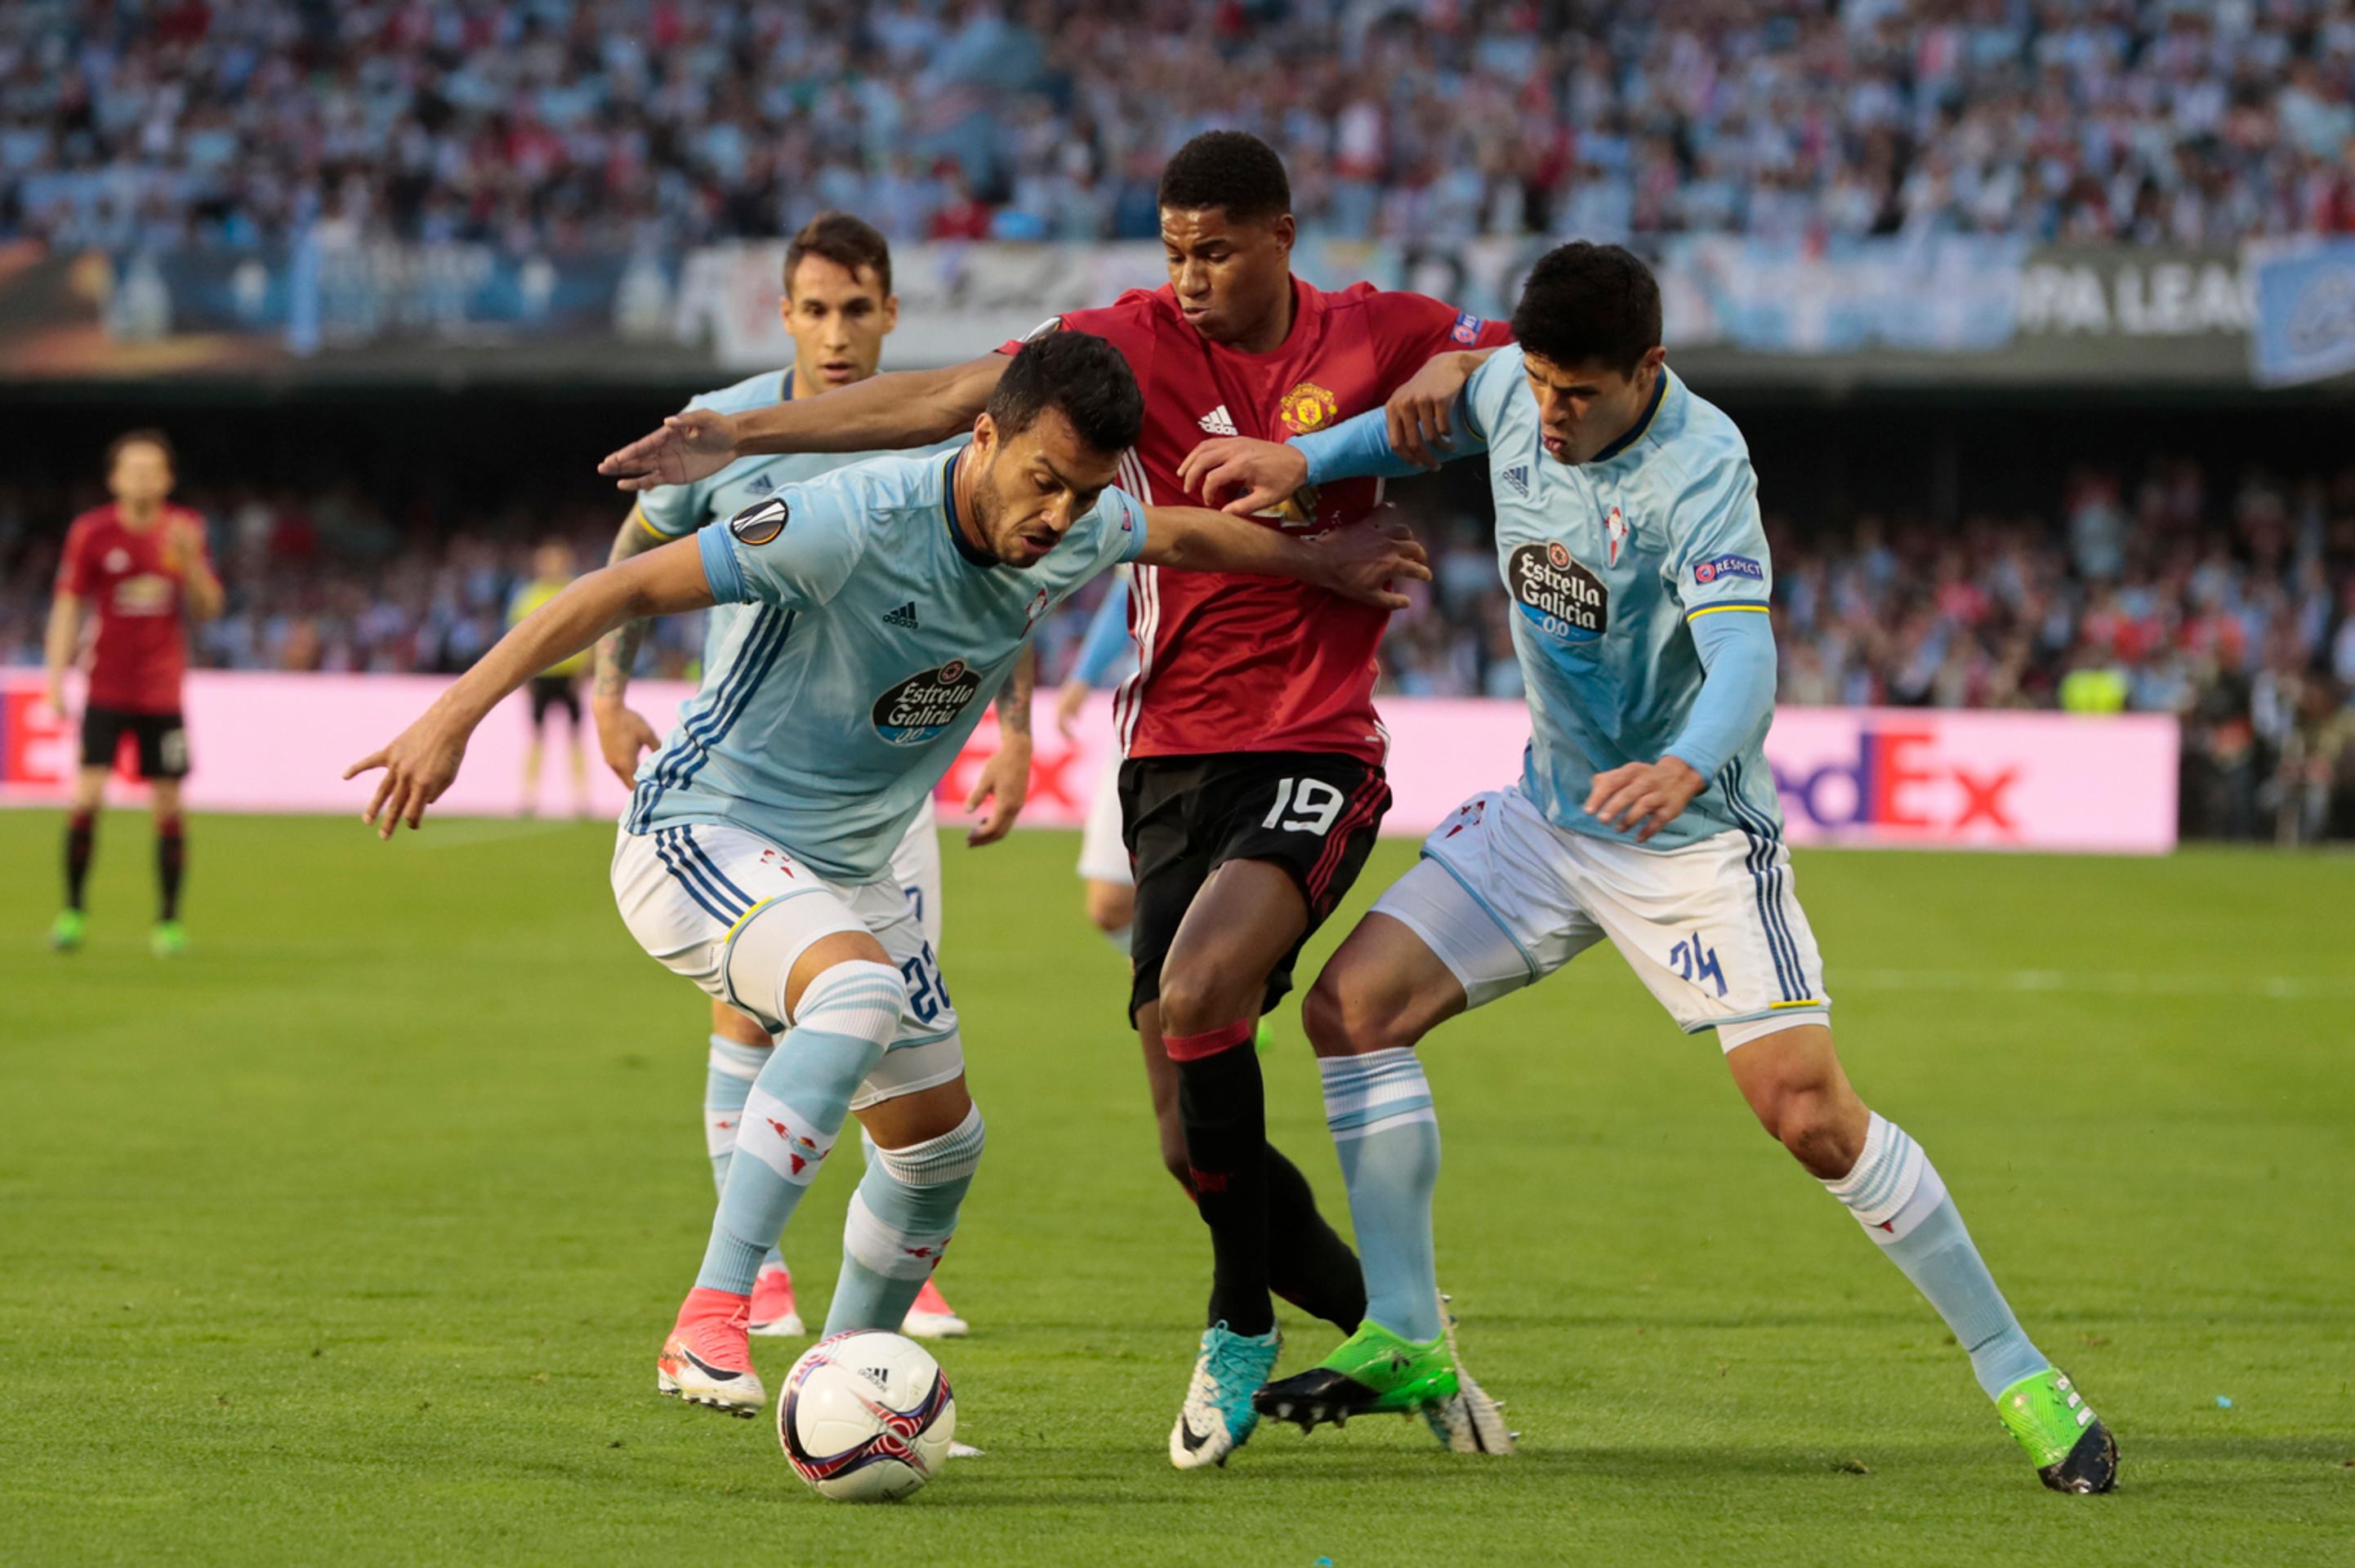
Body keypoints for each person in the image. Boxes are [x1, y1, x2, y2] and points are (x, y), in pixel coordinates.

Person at [600, 131, 1518, 1466]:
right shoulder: (1130, 340)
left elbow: (1518, 344)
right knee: (1181, 1129)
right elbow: (954, 404)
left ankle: (1235, 1325)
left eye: (1215, 248)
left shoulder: (1381, 329)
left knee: (1200, 999)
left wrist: (1452, 362)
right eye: (1173, 250)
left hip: (1314, 741)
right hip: (1166, 753)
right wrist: (741, 430)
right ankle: (1399, 1333)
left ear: (1279, 233)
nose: (1191, 276)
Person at [348, 331, 1428, 1423]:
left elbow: (1178, 533)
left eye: (1084, 490)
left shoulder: (1080, 521)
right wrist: (447, 723)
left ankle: (846, 1390)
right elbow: (612, 590)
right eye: (1041, 480)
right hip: (704, 830)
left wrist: (1314, 563)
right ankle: (711, 1316)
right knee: (854, 994)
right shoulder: (845, 523)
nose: (1057, 515)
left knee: (937, 1153)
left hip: (851, 868)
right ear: (982, 436)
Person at [1185, 242, 2120, 1495]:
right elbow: (1425, 423)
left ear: (1648, 371)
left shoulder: (1700, 466)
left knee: (1808, 1115)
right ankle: (1405, 1333)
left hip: (1686, 843)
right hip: (1547, 819)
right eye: (1538, 385)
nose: (1550, 415)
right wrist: (1305, 458)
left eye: (1579, 394)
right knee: (1351, 1010)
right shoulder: (1512, 388)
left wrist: (1686, 763)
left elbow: (1742, 659)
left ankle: (2020, 1375)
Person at [590, 212, 987, 1342]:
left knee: (882, 1016)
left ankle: (891, 1240)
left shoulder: (926, 435)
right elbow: (632, 553)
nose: (836, 331)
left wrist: (1001, 735)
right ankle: (751, 1276)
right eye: (814, 309)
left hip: (889, 777)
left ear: (892, 313)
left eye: (857, 308)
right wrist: (610, 690)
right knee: (754, 1014)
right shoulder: (732, 426)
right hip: (750, 776)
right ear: (784, 315)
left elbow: (998, 580)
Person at [44, 430, 223, 958]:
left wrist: (189, 564)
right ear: (115, 478)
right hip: (106, 686)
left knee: (168, 804)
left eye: (153, 469)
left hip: (162, 692)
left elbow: (210, 608)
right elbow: (67, 606)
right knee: (87, 796)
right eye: (133, 468)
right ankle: (73, 910)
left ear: (168, 478)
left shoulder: (185, 531)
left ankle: (168, 922)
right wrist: (55, 679)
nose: (144, 477)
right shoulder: (92, 532)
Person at [1056, 570, 1136, 951]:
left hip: (1236, 730)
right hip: (1142, 726)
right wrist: (1082, 677)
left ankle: (1233, 1003)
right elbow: (1129, 590)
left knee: (1198, 907)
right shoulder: (1147, 511)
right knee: (1110, 903)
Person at [508, 541, 593, 818]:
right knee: (537, 737)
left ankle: (581, 798)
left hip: (569, 675)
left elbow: (592, 631)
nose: (551, 566)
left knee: (575, 738)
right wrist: (524, 677)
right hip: (541, 675)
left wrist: (584, 671)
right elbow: (517, 639)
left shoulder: (578, 591)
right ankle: (529, 796)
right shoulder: (528, 595)